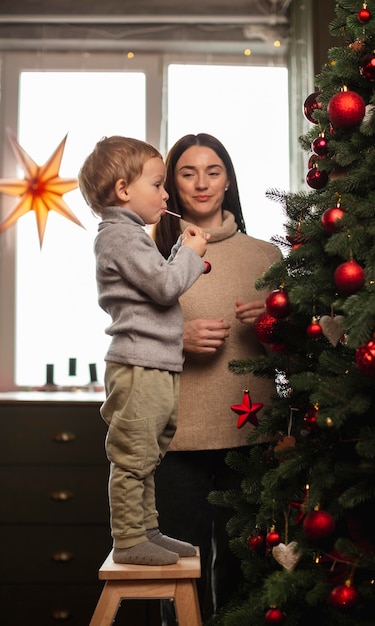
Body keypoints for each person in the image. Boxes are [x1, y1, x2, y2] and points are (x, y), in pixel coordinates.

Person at [153, 133, 282, 617]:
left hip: (250, 437)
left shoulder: (265, 257)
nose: (202, 183)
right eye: (188, 172)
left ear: (228, 180)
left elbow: (292, 354)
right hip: (175, 440)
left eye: (213, 171)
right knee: (182, 576)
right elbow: (121, 345)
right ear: (171, 184)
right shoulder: (149, 252)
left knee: (245, 571)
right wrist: (177, 339)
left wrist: (274, 323)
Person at [78, 135, 210, 567]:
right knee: (133, 456)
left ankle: (147, 528)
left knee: (149, 454)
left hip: (154, 365)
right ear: (123, 190)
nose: (166, 193)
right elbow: (166, 286)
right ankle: (130, 538)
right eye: (157, 184)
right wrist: (190, 253)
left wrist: (177, 251)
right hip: (138, 367)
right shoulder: (121, 237)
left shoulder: (130, 236)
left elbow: (157, 277)